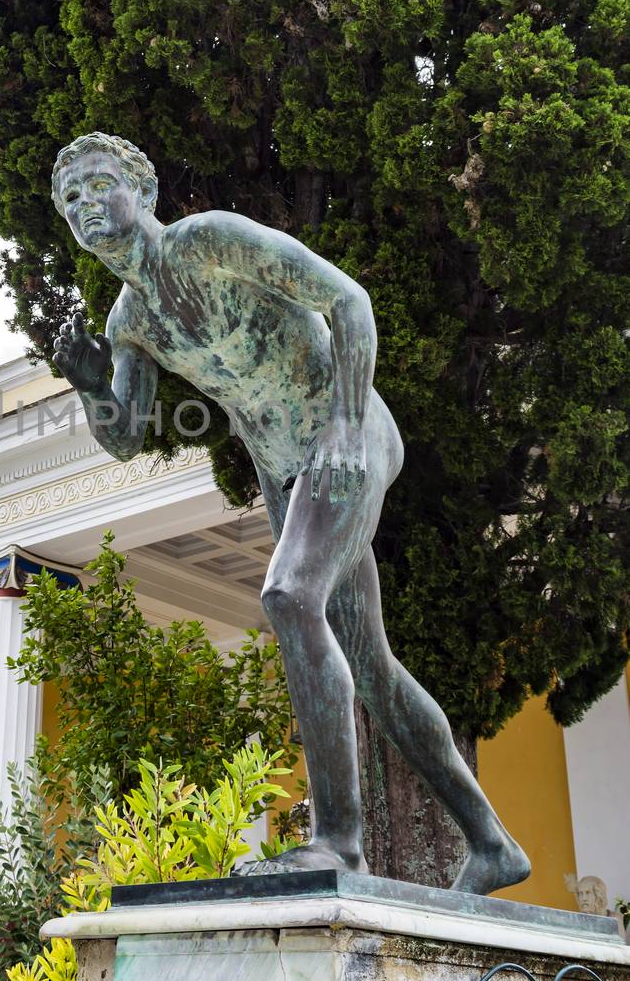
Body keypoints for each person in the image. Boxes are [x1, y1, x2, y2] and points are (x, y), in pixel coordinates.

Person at [51, 131, 530, 896]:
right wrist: (88, 386)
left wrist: (343, 423)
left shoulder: (208, 240)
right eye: (68, 199)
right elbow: (125, 436)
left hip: (346, 435)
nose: (83, 207)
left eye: (96, 185)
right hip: (284, 471)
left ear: (140, 193)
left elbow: (348, 301)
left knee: (287, 595)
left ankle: (337, 844)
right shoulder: (128, 324)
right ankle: (491, 844)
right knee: (373, 671)